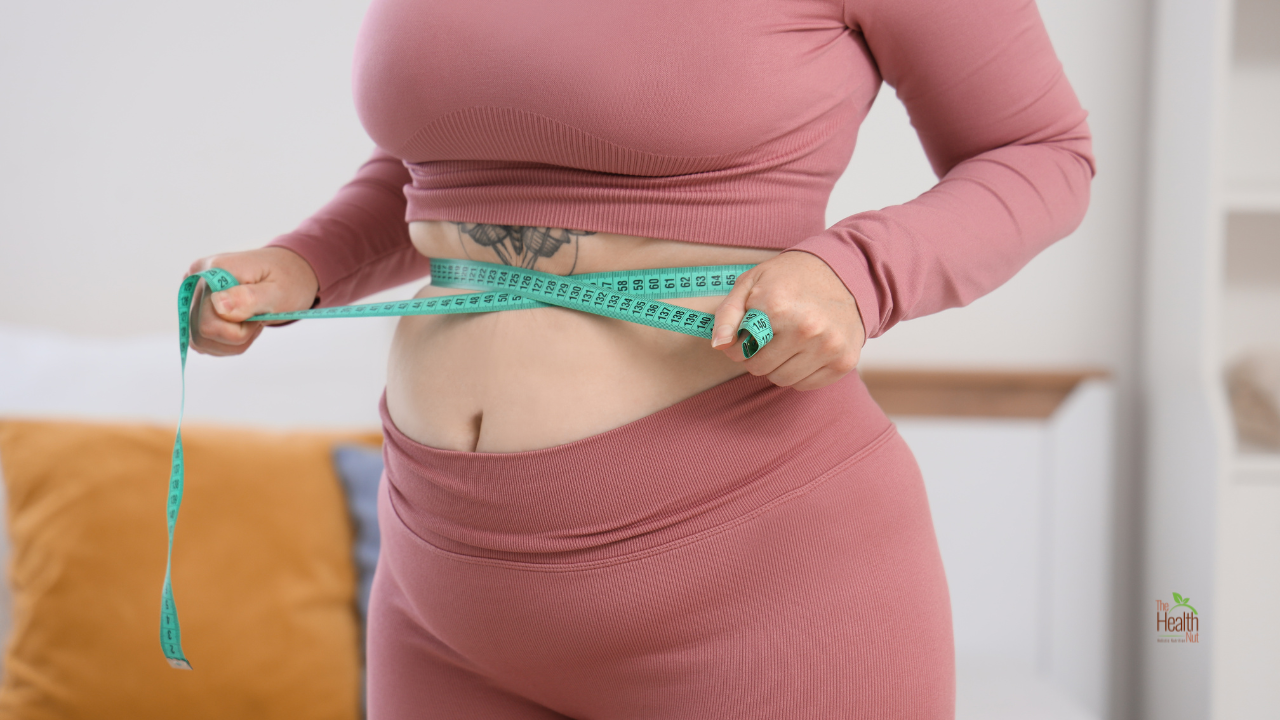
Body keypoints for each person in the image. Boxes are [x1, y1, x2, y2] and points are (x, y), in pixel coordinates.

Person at [187, 0, 1093, 717]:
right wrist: (308, 262)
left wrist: (860, 273)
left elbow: (1041, 152)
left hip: (756, 587)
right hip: (442, 593)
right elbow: (446, 165)